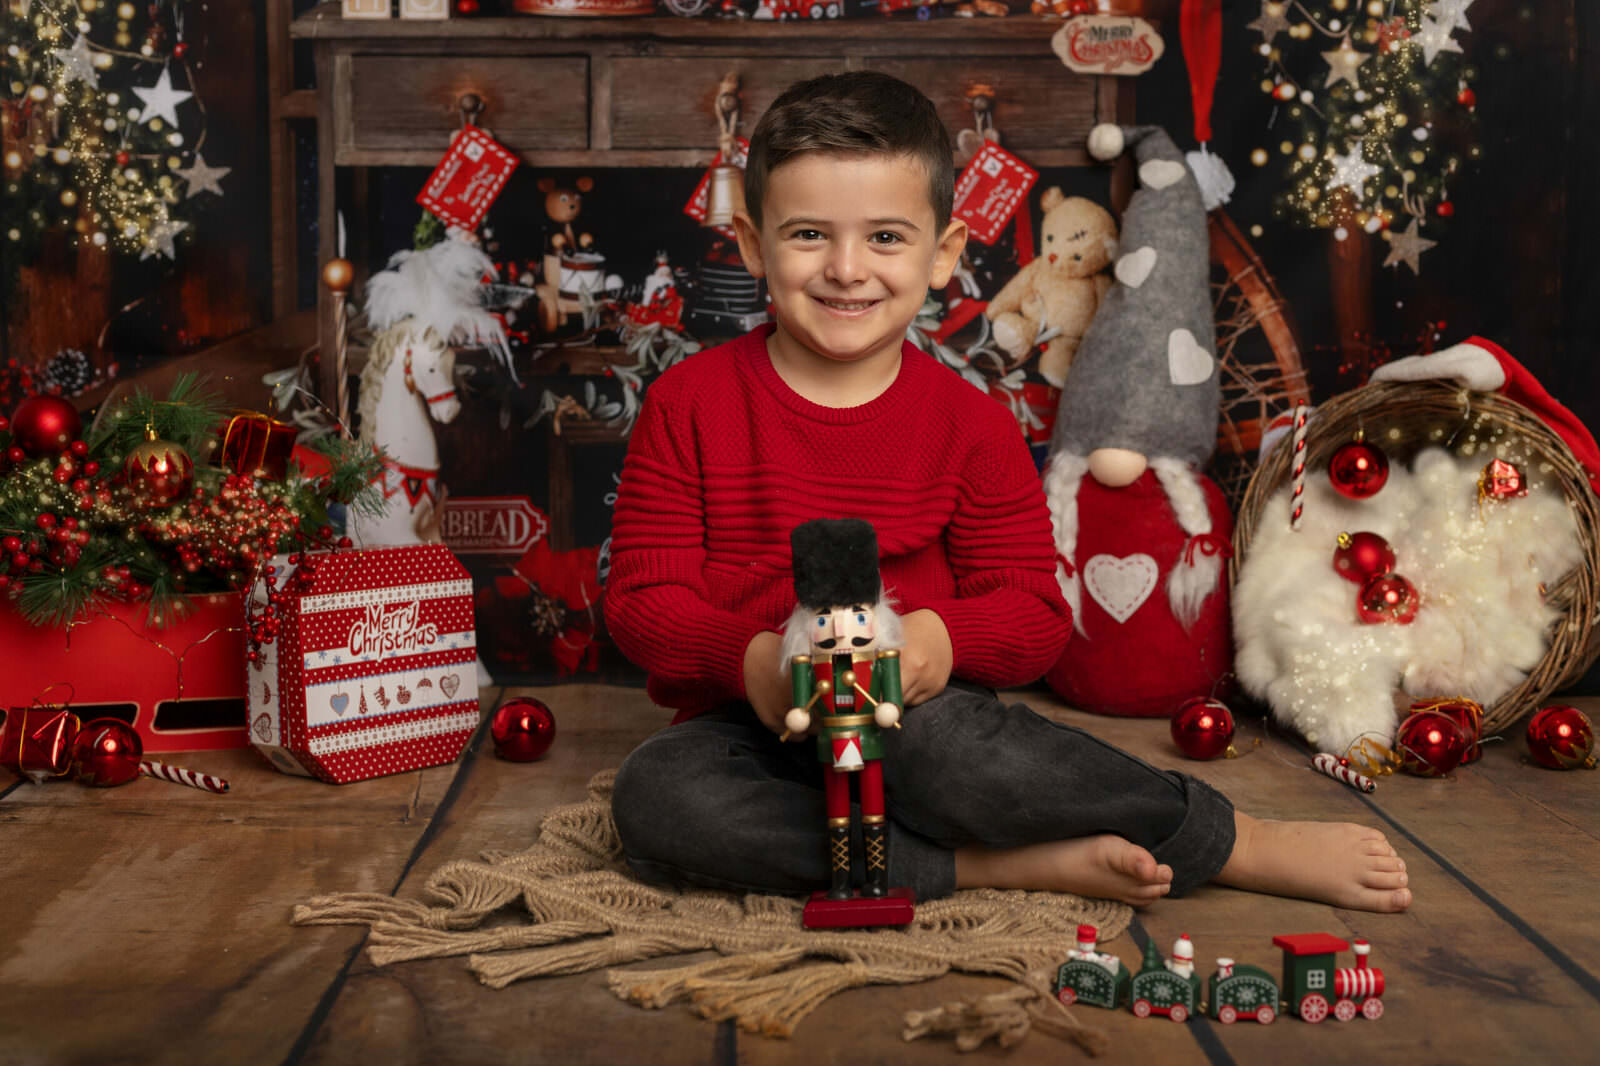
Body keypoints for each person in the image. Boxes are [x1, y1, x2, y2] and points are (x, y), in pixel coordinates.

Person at [604, 71, 1411, 914]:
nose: (847, 270)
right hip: (750, 721)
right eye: (808, 234)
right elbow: (643, 600)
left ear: (943, 253)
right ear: (751, 244)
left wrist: (933, 645)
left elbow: (1032, 614)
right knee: (658, 797)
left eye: (885, 237)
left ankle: (1228, 837)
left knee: (955, 760)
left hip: (916, 716)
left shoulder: (970, 421)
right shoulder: (688, 402)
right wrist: (756, 664)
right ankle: (996, 869)